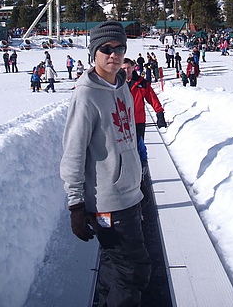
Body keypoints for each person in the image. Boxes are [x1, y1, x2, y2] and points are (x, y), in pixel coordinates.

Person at [60, 20, 151, 306]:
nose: (114, 54)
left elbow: (126, 142)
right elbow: (73, 153)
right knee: (135, 270)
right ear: (94, 53)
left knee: (115, 267)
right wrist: (76, 205)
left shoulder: (122, 85)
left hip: (128, 196)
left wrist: (138, 184)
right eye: (106, 48)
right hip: (109, 202)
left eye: (119, 48)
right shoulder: (86, 95)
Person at [122, 58, 167, 143]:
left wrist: (159, 113)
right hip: (121, 122)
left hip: (138, 120)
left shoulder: (142, 83)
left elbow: (152, 98)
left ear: (133, 68)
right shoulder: (116, 83)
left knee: (139, 148)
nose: (126, 70)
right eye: (124, 68)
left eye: (128, 68)